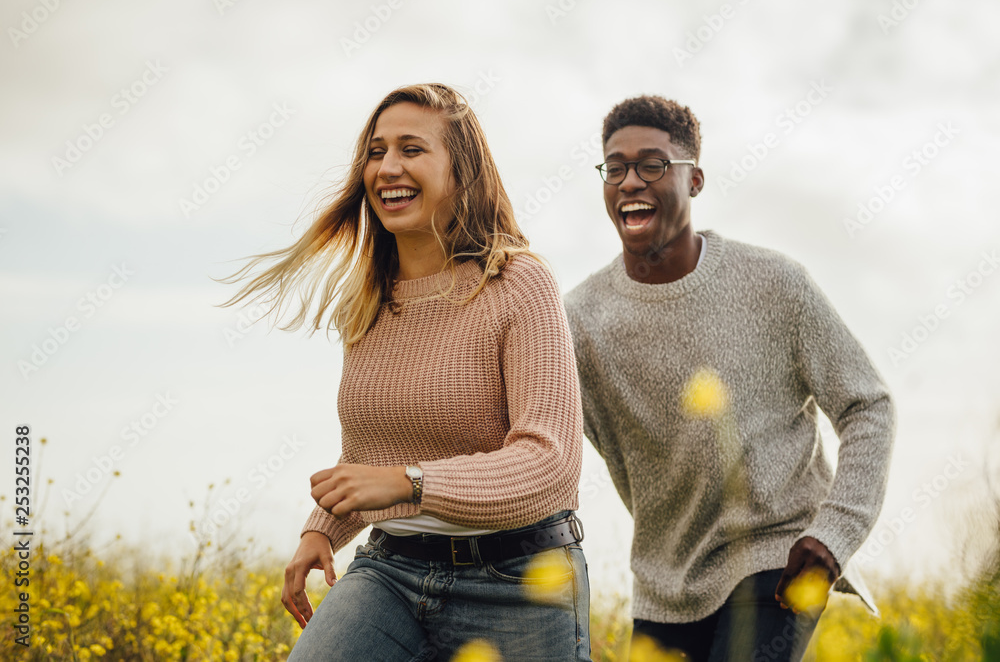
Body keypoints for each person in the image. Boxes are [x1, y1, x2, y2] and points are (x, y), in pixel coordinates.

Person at [223, 83, 590, 661]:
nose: (387, 167)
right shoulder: (368, 302)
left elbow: (549, 461)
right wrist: (322, 528)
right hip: (392, 568)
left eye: (411, 149)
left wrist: (411, 482)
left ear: (462, 170)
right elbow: (370, 454)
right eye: (375, 151)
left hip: (520, 580)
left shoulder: (518, 284)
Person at [564, 95, 895, 662]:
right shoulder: (578, 322)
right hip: (664, 584)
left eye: (652, 165)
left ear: (694, 180)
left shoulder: (775, 284)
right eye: (614, 168)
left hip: (778, 555)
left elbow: (869, 406)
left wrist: (834, 534)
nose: (629, 182)